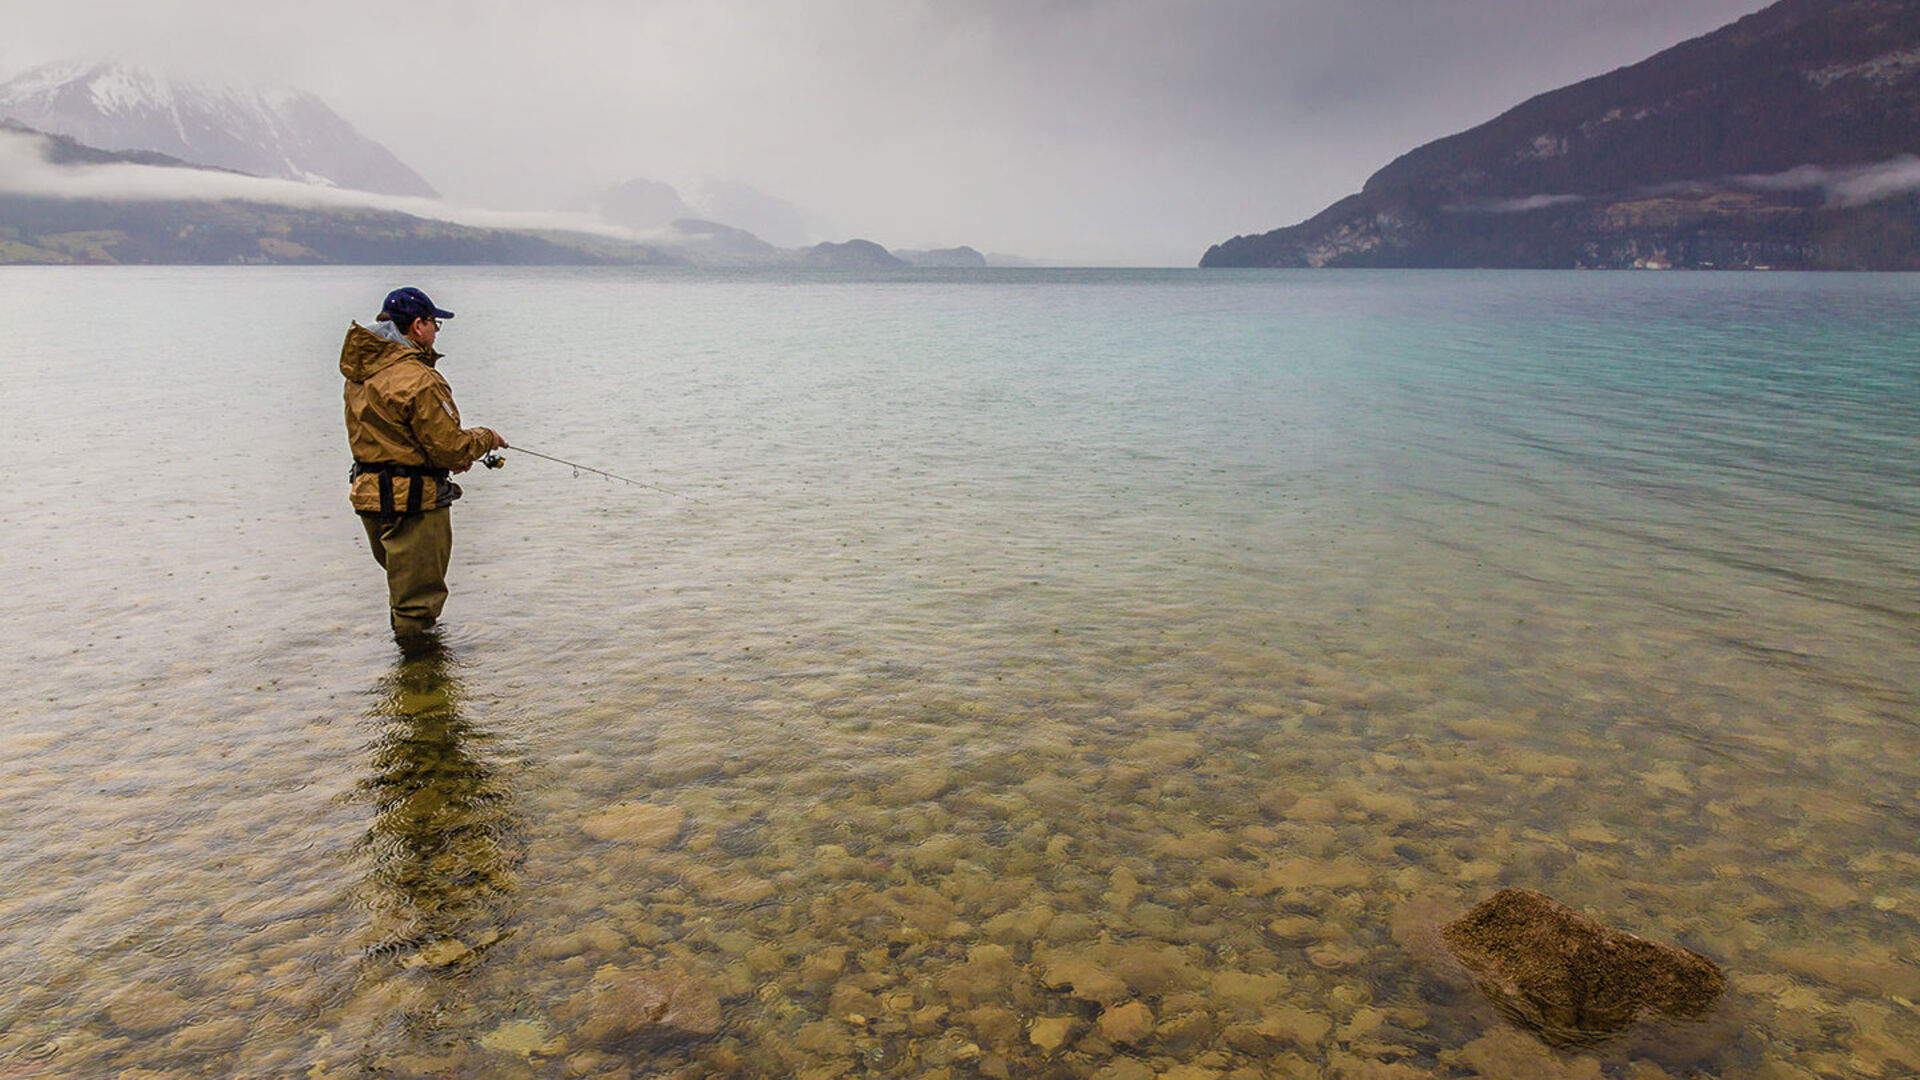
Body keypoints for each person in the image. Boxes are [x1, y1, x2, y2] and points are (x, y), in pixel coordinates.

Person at [341, 286, 506, 640]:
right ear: (418, 326)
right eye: (434, 324)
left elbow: (391, 437)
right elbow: (451, 448)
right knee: (418, 606)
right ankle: (422, 685)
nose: (435, 332)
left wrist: (438, 461)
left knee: (402, 595)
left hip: (371, 499)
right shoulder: (419, 378)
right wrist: (486, 437)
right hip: (413, 504)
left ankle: (408, 676)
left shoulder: (360, 373)